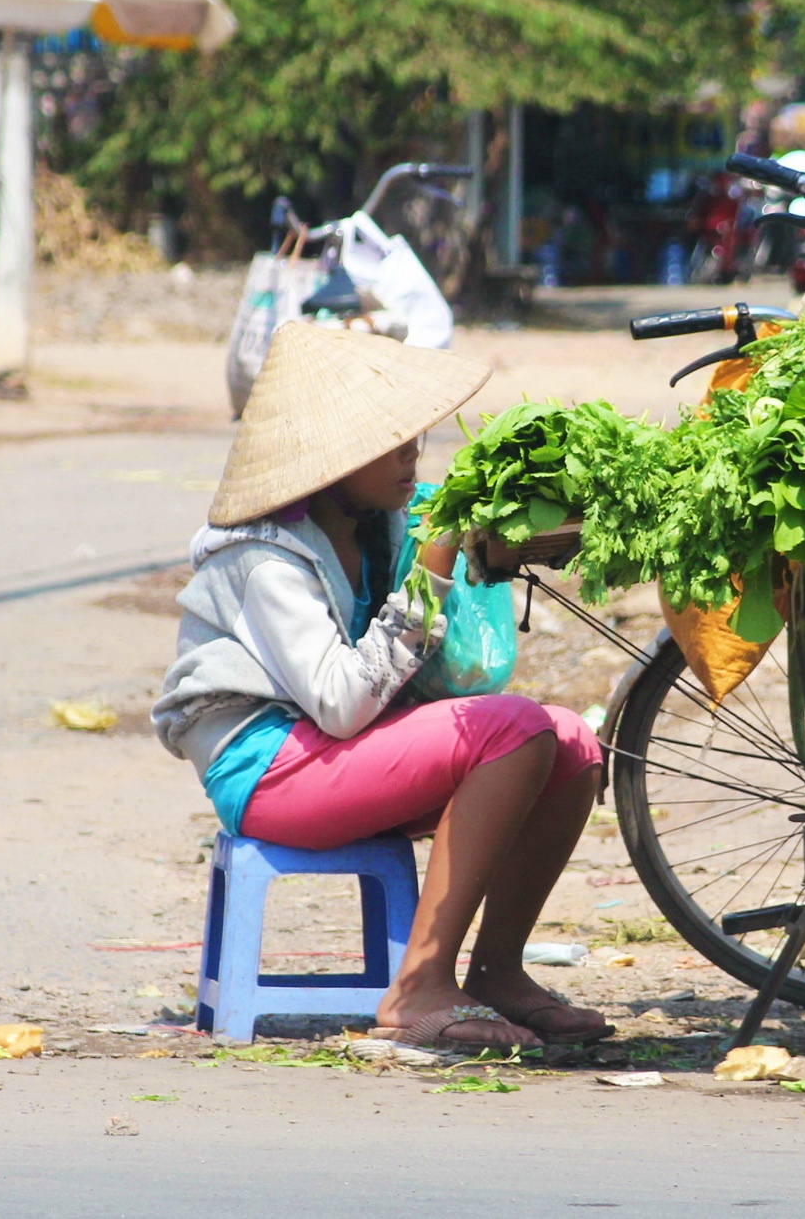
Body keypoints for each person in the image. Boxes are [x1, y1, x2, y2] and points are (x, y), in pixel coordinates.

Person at [154, 322, 610, 1051]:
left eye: (414, 439)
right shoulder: (264, 560)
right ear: (331, 462)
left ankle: (497, 970)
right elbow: (340, 705)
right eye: (390, 444)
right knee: (516, 728)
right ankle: (418, 986)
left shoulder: (381, 525)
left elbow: (428, 675)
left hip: (341, 752)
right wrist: (429, 574)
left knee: (572, 741)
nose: (413, 455)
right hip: (268, 767)